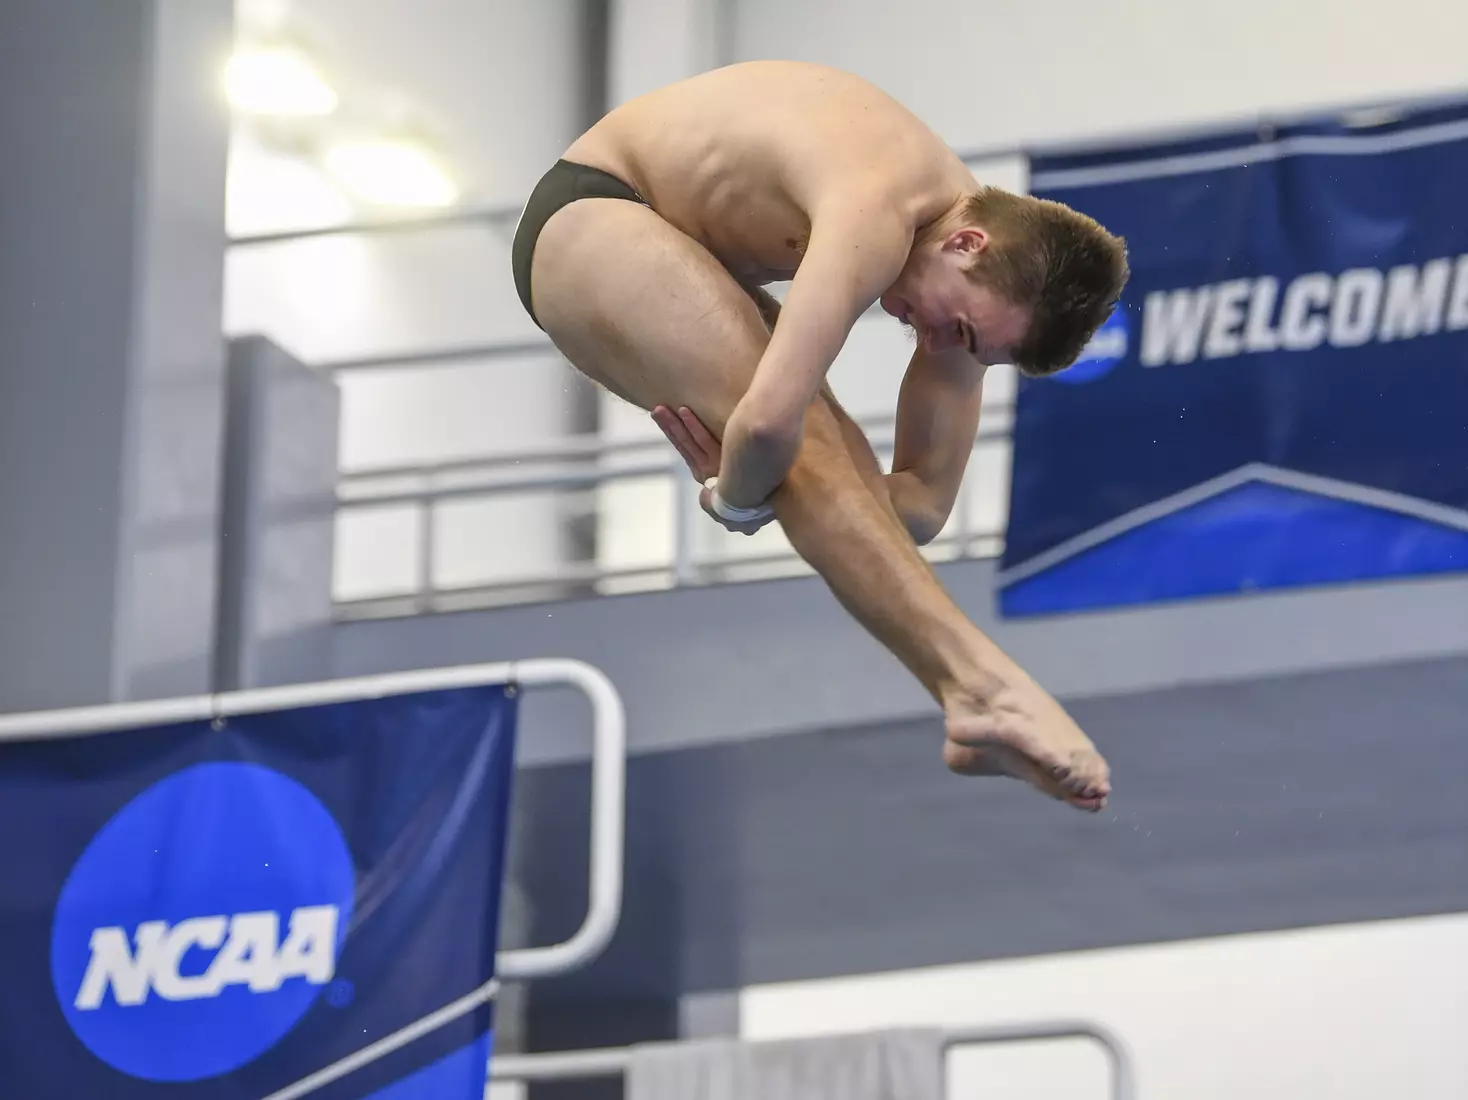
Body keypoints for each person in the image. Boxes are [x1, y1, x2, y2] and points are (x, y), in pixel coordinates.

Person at [511, 60, 1129, 812]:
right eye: (957, 328)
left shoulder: (972, 279)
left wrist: (762, 475)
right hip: (594, 211)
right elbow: (772, 426)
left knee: (807, 456)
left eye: (973, 351)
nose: (936, 344)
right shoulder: (878, 208)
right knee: (799, 439)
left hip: (684, 245)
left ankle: (976, 690)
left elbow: (920, 510)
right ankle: (982, 686)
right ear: (966, 245)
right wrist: (737, 495)